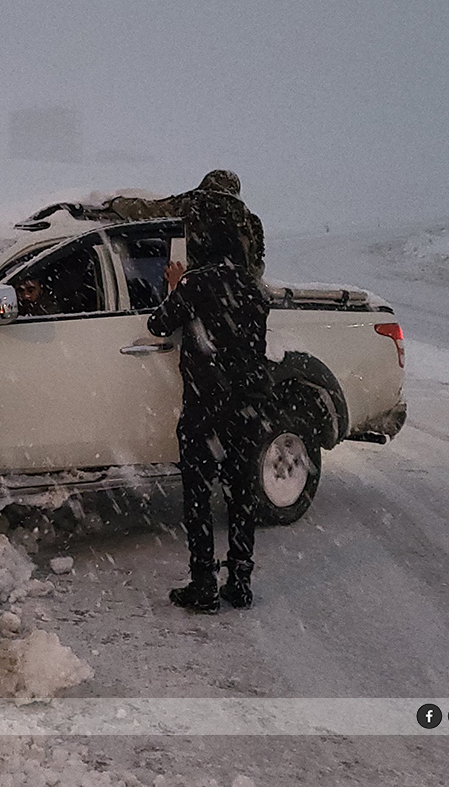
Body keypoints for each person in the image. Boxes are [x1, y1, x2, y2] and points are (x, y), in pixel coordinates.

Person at [147, 208, 272, 613]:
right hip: (249, 408)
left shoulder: (197, 284)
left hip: (207, 406)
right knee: (241, 496)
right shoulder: (254, 290)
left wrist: (176, 286)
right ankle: (240, 582)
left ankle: (204, 583)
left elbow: (158, 325)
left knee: (199, 496)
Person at [105, 169, 265, 279]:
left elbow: (146, 211)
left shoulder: (192, 205)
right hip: (237, 300)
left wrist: (116, 203)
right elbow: (256, 269)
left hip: (195, 293)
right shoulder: (250, 223)